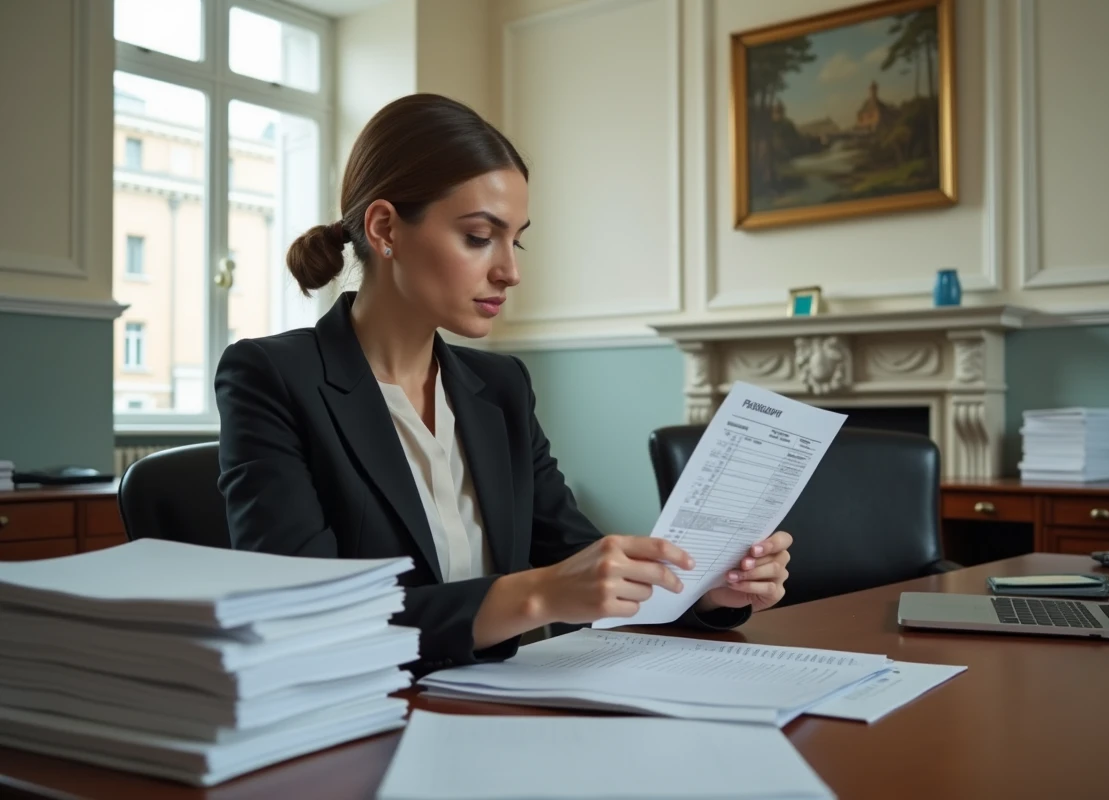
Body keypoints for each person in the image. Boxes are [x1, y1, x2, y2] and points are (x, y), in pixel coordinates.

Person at [214, 93, 792, 676]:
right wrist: (537, 596)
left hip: (503, 710)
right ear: (385, 228)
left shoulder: (500, 385)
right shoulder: (271, 377)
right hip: (365, 724)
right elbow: (308, 622)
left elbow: (574, 559)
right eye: (478, 236)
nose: (510, 270)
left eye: (515, 239)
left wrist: (704, 590)